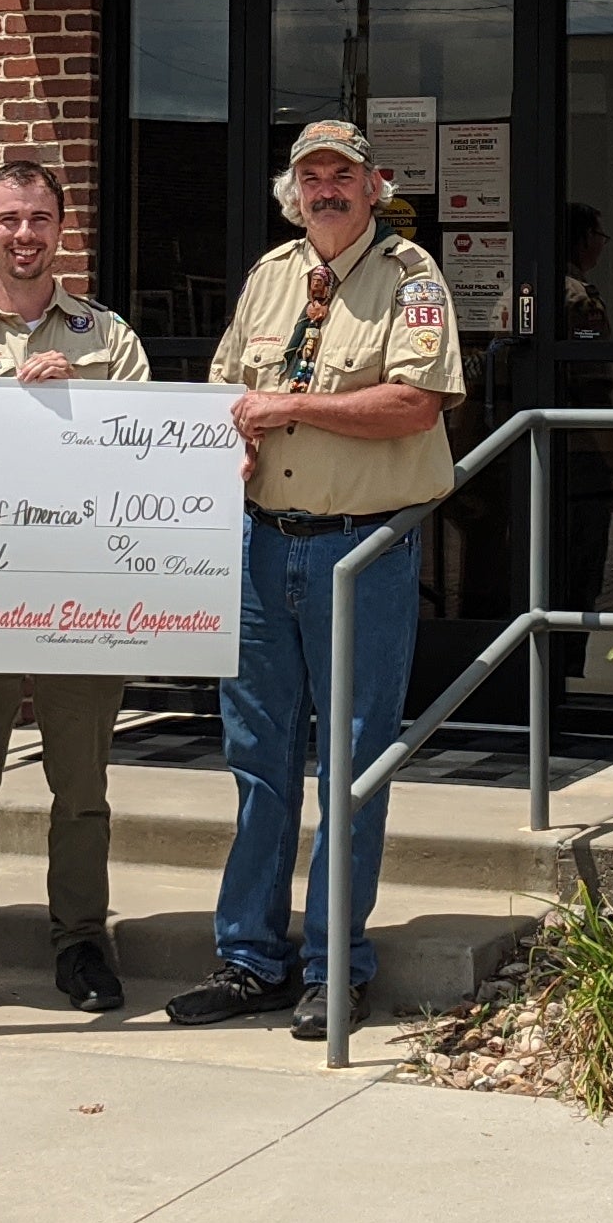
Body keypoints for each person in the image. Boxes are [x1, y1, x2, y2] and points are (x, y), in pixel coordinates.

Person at [168, 119, 467, 1041]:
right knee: (257, 758)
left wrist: (292, 405)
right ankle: (249, 957)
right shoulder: (269, 277)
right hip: (260, 548)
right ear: (292, 190)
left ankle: (336, 966)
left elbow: (415, 403)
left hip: (359, 551)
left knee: (350, 761)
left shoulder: (411, 277)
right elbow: (227, 392)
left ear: (375, 185)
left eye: (343, 175)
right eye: (311, 177)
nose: (327, 190)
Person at [0, 158, 153, 1026]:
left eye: (40, 219)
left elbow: (141, 458)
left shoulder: (109, 340)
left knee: (81, 787)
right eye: (9, 219)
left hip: (79, 596)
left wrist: (72, 410)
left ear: (62, 229)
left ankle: (82, 943)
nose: (25, 234)